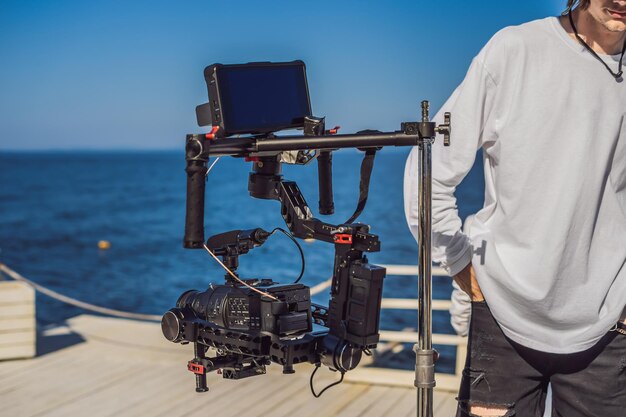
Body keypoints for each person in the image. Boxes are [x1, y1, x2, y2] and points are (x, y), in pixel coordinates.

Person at [404, 1, 626, 416]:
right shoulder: (515, 50)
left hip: (607, 326)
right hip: (503, 315)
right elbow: (429, 169)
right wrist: (456, 261)